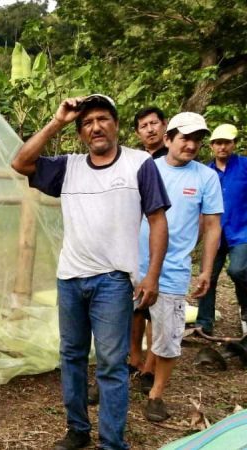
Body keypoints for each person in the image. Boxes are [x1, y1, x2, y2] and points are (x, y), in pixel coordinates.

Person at [11, 94, 170, 450]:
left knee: (112, 364)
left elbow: (158, 220)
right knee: (71, 356)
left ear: (115, 124)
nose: (95, 127)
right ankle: (78, 430)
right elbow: (20, 162)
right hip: (70, 277)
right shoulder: (69, 166)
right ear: (81, 132)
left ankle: (112, 442)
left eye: (102, 119)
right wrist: (58, 121)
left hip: (113, 279)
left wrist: (152, 276)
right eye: (86, 122)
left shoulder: (140, 163)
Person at [137, 112, 222, 422]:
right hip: (133, 265)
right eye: (185, 138)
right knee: (120, 326)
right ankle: (120, 379)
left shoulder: (205, 177)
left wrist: (206, 270)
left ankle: (156, 394)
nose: (191, 145)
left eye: (197, 139)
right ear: (168, 138)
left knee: (168, 336)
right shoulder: (147, 169)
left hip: (173, 269)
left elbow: (212, 225)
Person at [129, 106, 169, 394]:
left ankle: (151, 366)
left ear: (164, 126)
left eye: (154, 123)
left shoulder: (174, 161)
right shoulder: (135, 162)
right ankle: (134, 357)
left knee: (157, 308)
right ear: (137, 132)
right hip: (133, 245)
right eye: (144, 125)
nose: (150, 129)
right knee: (135, 308)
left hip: (161, 246)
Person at [195, 123, 247, 336]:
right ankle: (204, 322)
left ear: (233, 144)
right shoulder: (205, 172)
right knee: (208, 276)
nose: (222, 147)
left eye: (226, 142)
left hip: (241, 230)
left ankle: (245, 309)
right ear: (211, 146)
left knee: (238, 270)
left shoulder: (244, 166)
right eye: (217, 143)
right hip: (214, 233)